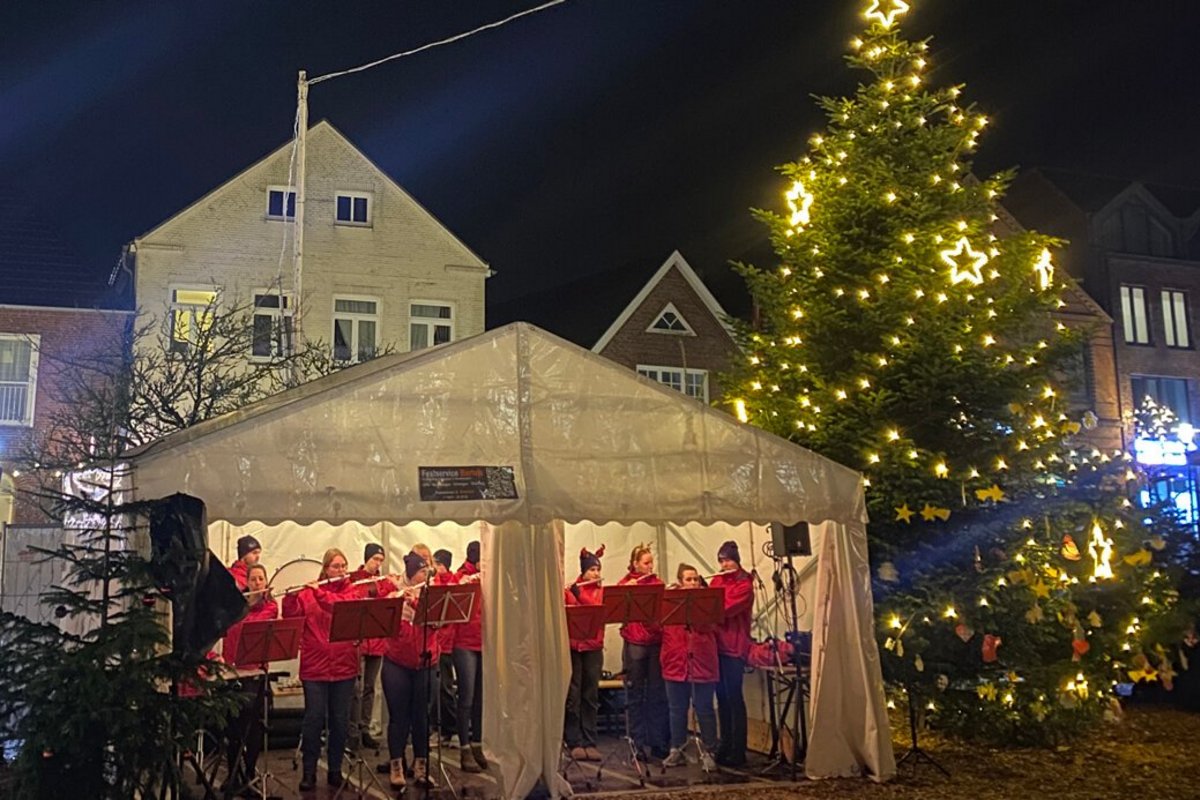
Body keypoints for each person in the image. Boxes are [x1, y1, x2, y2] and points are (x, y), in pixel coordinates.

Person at [282, 548, 362, 791]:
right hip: (315, 667)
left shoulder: (352, 593)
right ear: (326, 568)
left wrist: (319, 594)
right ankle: (309, 771)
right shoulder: (309, 594)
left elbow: (338, 608)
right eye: (335, 566)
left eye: (343, 566)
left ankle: (335, 770)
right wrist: (291, 597)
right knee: (314, 720)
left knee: (339, 721)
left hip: (344, 667)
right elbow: (290, 617)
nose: (340, 571)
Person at [382, 552, 443, 789]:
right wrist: (397, 599)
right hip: (397, 661)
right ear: (410, 574)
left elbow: (438, 621)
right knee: (399, 717)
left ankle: (421, 765)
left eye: (427, 571)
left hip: (427, 661)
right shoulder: (395, 591)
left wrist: (417, 601)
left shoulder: (433, 593)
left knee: (422, 717)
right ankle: (396, 764)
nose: (425, 575)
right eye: (420, 572)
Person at [220, 563, 279, 795]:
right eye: (253, 579)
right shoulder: (234, 607)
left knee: (254, 728)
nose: (257, 583)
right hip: (233, 673)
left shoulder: (270, 607)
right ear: (246, 582)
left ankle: (250, 773)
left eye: (260, 579)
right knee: (233, 729)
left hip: (256, 673)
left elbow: (253, 629)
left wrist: (251, 605)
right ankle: (234, 774)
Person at [660, 564, 718, 771]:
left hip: (702, 662)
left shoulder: (707, 601)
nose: (693, 583)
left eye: (695, 579)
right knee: (676, 710)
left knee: (704, 709)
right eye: (688, 579)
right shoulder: (669, 602)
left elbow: (712, 625)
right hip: (675, 662)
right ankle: (677, 749)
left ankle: (709, 751)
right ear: (679, 581)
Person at [617, 543, 670, 759]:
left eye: (651, 563)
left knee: (657, 694)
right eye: (646, 563)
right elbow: (616, 605)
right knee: (635, 693)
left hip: (656, 642)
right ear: (635, 564)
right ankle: (636, 743)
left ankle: (657, 742)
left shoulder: (657, 584)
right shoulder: (626, 583)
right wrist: (626, 590)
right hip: (635, 642)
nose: (650, 567)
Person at [709, 540, 754, 767]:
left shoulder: (744, 583)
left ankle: (739, 748)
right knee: (722, 698)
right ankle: (725, 743)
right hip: (717, 645)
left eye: (727, 560)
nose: (724, 564)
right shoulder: (717, 580)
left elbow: (724, 609)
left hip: (735, 647)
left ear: (735, 560)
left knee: (734, 698)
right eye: (721, 560)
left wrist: (708, 601)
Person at [564, 546, 605, 762]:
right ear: (583, 572)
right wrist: (567, 593)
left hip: (593, 647)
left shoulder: (600, 591)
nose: (596, 574)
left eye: (598, 570)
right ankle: (574, 741)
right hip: (573, 647)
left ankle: (590, 740)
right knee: (574, 695)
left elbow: (598, 611)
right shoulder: (572, 590)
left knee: (590, 695)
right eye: (592, 570)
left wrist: (581, 596)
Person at [349, 542, 389, 749]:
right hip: (360, 641)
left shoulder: (383, 582)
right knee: (355, 689)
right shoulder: (353, 580)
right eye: (375, 559)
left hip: (377, 641)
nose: (377, 564)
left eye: (381, 560)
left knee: (370, 688)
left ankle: (364, 728)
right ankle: (353, 731)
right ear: (366, 559)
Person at [453, 540, 488, 773]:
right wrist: (465, 583)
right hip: (464, 642)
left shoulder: (488, 575)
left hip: (485, 642)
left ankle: (478, 744)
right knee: (465, 696)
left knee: (480, 698)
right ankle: (464, 748)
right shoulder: (460, 577)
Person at [432, 549, 459, 744]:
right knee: (434, 688)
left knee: (445, 687)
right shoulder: (434, 582)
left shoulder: (452, 584)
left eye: (436, 564)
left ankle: (448, 729)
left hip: (446, 643)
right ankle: (437, 727)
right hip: (434, 642)